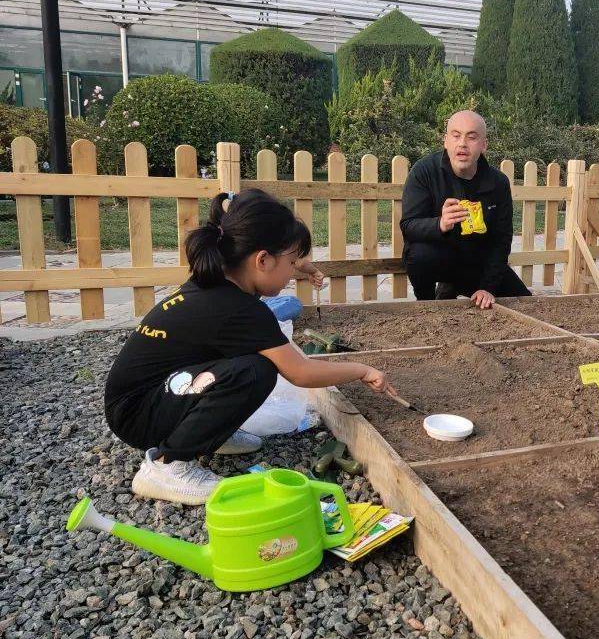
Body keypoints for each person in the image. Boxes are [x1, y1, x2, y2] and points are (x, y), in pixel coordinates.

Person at [104, 189, 397, 505]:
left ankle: (209, 434)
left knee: (249, 361)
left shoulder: (216, 280)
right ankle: (167, 465)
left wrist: (302, 266)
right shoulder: (240, 310)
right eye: (291, 262)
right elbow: (301, 372)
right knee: (255, 371)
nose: (293, 272)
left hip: (139, 401)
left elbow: (267, 271)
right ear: (262, 259)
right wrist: (363, 370)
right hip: (139, 416)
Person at [399, 110, 530, 309]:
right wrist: (440, 224)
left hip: (476, 262)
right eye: (456, 135)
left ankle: (452, 288)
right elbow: (408, 226)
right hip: (439, 257)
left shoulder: (498, 182)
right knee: (418, 253)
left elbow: (501, 240)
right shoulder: (424, 171)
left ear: (483, 145)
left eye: (471, 137)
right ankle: (426, 304)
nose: (462, 143)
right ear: (446, 141)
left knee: (526, 303)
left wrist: (488, 287)